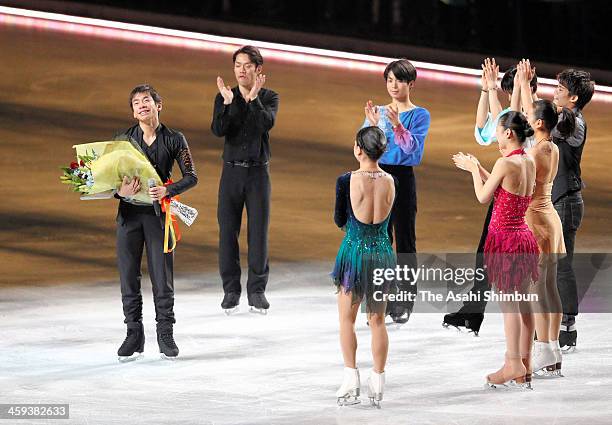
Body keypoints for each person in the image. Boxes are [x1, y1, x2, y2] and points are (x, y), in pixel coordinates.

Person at [443, 58, 538, 335]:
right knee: (486, 260)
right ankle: (475, 315)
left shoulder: (533, 119)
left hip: (520, 207)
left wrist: (474, 169)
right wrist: (489, 89)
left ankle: (536, 335)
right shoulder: (511, 129)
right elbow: (493, 124)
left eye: (514, 90)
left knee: (516, 282)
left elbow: (511, 116)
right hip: (508, 199)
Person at [453, 111, 539, 388]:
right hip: (524, 239)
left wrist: (471, 170)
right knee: (524, 303)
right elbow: (503, 189)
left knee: (509, 305)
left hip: (505, 241)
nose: (497, 138)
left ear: (509, 133)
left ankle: (513, 363)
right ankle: (525, 363)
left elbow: (482, 197)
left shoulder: (505, 162)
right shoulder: (527, 161)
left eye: (499, 133)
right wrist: (479, 167)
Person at [114, 84, 198, 361]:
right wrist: (119, 192)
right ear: (133, 110)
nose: (141, 105)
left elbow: (191, 176)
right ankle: (133, 333)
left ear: (158, 105)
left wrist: (168, 190)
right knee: (128, 275)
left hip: (157, 217)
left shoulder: (175, 138)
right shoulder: (124, 140)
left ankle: (165, 333)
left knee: (162, 277)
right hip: (128, 216)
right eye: (136, 102)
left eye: (146, 100)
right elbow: (110, 179)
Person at [517, 60, 576, 377]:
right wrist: (526, 86)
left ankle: (544, 353)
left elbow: (521, 181)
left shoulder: (537, 152)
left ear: (540, 124)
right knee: (549, 288)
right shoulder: (549, 145)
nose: (526, 119)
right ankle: (551, 352)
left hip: (536, 220)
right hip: (548, 217)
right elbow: (534, 112)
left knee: (538, 291)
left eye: (530, 118)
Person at [211, 45, 280, 315]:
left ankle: (257, 291)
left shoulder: (269, 96)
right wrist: (229, 104)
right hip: (231, 173)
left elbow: (266, 124)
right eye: (237, 65)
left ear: (258, 69)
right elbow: (218, 130)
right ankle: (231, 290)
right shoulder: (225, 96)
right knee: (227, 231)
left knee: (258, 232)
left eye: (247, 65)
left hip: (257, 174)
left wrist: (253, 100)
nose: (241, 70)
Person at [362, 58, 430, 324]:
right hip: (378, 177)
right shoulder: (378, 111)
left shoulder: (419, 114)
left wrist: (398, 127)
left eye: (399, 80)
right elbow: (366, 148)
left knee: (404, 240)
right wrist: (373, 126)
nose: (393, 85)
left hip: (402, 179)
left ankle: (405, 299)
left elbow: (412, 150)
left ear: (410, 83)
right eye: (389, 80)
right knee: (380, 239)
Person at [332, 126, 397, 407]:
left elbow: (338, 219)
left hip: (354, 254)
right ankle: (378, 382)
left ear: (359, 149)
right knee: (378, 321)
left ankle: (350, 380)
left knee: (347, 319)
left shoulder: (346, 180)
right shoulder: (391, 181)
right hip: (382, 253)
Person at [551, 68, 595, 352]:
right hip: (554, 199)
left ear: (574, 96)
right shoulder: (563, 117)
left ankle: (568, 326)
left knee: (562, 265)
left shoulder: (574, 123)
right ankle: (552, 323)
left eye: (560, 88)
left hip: (566, 201)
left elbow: (541, 123)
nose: (555, 91)